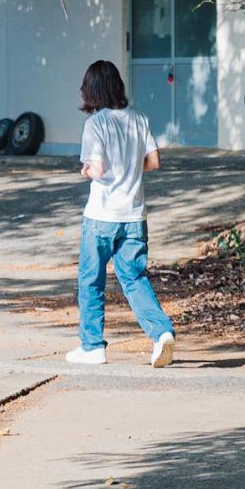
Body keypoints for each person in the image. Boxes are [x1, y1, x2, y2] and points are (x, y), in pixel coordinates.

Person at [66, 59, 175, 367]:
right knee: (135, 278)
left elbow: (98, 168)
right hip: (134, 216)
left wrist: (86, 169)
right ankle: (162, 334)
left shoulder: (96, 124)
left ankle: (92, 347)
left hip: (102, 216)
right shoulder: (139, 118)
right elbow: (153, 162)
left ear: (92, 90)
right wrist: (129, 169)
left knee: (91, 280)